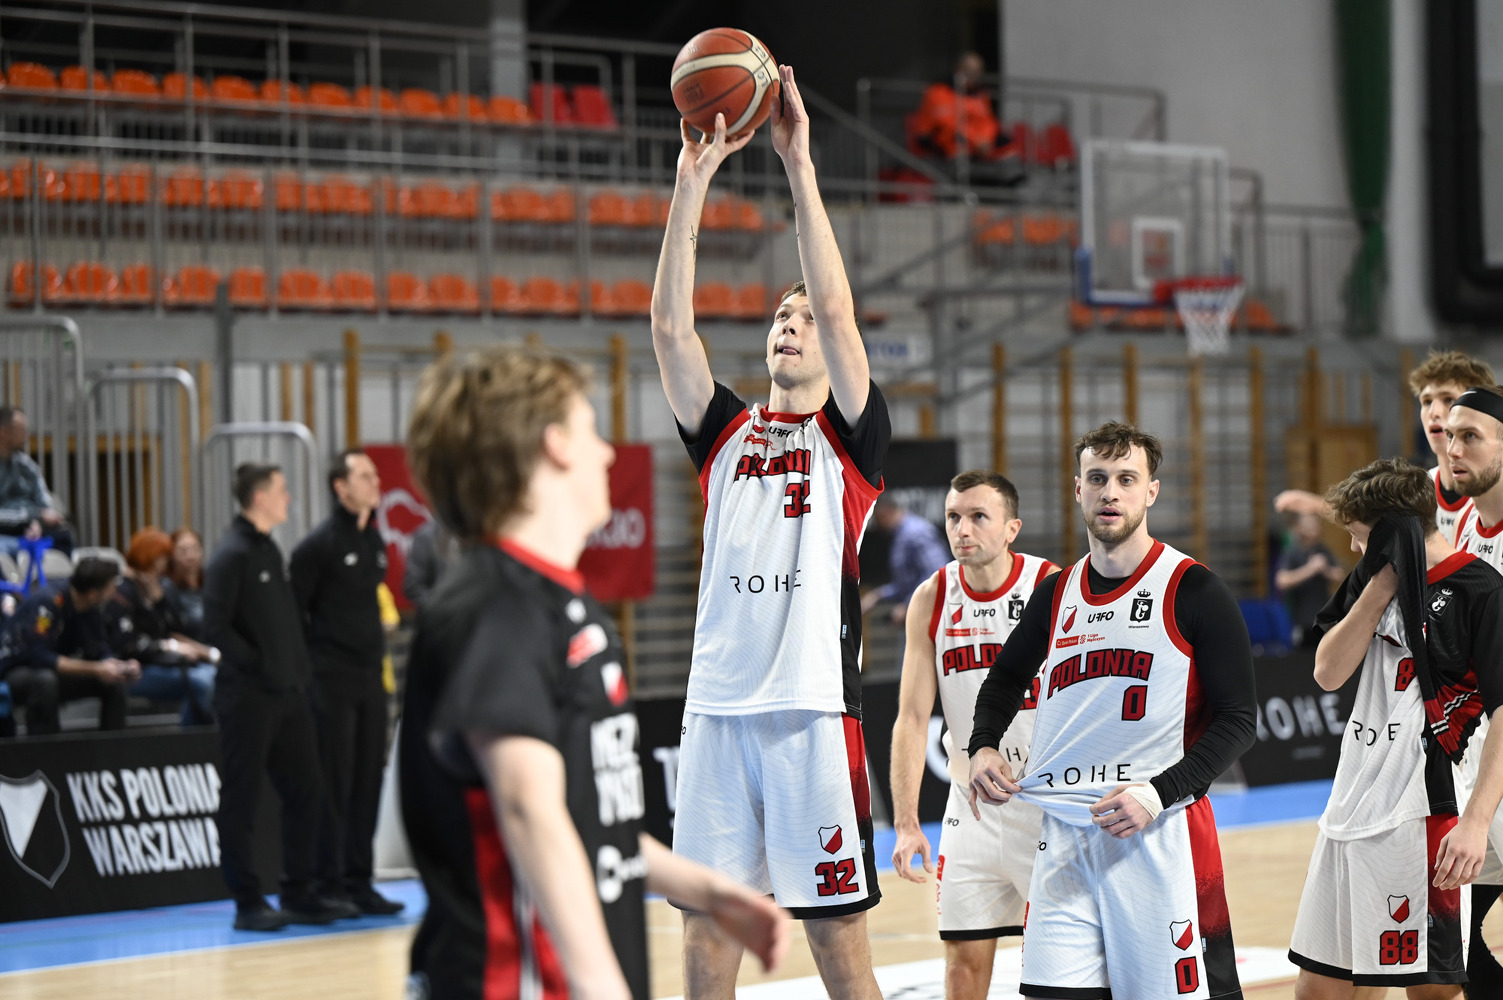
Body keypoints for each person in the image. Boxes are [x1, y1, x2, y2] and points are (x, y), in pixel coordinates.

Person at [399, 345, 789, 999]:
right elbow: (527, 808)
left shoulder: (560, 604)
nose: (607, 454)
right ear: (554, 445)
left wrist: (707, 889)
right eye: (591, 429)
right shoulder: (497, 603)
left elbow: (587, 819)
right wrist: (599, 983)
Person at [651, 63, 890, 998]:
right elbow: (670, 331)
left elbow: (837, 308)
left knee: (837, 946)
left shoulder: (850, 441)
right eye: (779, 318)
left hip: (810, 712)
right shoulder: (724, 434)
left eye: (803, 319)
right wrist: (691, 182)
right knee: (705, 940)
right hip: (716, 710)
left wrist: (796, 163)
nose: (790, 326)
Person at [967, 421, 1256, 999]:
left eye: (1126, 479)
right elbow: (1003, 680)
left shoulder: (1194, 589)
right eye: (1097, 478)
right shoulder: (1057, 592)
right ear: (1078, 489)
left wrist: (1159, 793)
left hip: (1157, 831)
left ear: (1151, 491)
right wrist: (983, 745)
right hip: (1063, 838)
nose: (1110, 492)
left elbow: (1238, 721)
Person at [1288, 458, 1503, 997]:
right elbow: (1327, 672)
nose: (1353, 548)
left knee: (1430, 990)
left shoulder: (1481, 589)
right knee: (1317, 990)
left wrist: (1476, 822)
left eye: (1361, 536)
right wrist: (1380, 585)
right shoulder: (1369, 578)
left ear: (1390, 532)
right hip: (1349, 803)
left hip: (1425, 811)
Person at [890, 470, 1058, 1000]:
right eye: (953, 517)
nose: (962, 529)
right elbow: (911, 718)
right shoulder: (932, 597)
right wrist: (906, 822)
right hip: (971, 805)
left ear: (1011, 529)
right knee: (963, 963)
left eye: (978, 517)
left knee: (1059, 966)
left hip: (1045, 803)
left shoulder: (1051, 586)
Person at [206, 462, 354, 931]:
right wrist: (257, 662)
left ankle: (299, 890)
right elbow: (215, 626)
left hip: (289, 696)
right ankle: (247, 901)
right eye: (282, 490)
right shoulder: (231, 554)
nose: (288, 498)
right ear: (260, 497)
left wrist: (296, 671)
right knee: (242, 799)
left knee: (308, 790)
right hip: (248, 697)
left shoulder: (269, 549)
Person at [290, 448, 403, 916]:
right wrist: (307, 675)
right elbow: (295, 614)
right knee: (335, 782)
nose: (376, 482)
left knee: (368, 780)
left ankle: (360, 880)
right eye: (364, 475)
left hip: (370, 678)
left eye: (375, 475)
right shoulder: (317, 547)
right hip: (330, 679)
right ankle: (328, 881)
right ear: (341, 488)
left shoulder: (374, 541)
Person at [1276, 350, 1494, 541]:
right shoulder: (1422, 486)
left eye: (1448, 399)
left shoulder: (1493, 490)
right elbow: (1373, 519)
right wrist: (1316, 505)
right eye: (1427, 401)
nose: (1434, 412)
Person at [1443, 384, 1503, 991]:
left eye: (1470, 437)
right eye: (1448, 436)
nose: (1452, 449)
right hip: (1480, 759)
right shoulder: (1461, 523)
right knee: (1465, 947)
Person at [0, 557, 137, 735]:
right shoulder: (48, 601)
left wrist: (117, 666)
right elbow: (39, 656)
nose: (114, 594)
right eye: (111, 588)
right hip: (17, 670)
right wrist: (95, 669)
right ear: (93, 594)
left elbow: (98, 647)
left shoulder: (91, 607)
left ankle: (112, 747)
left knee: (114, 682)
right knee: (45, 681)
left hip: (55, 671)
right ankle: (45, 748)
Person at [107, 528, 219, 725]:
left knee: (215, 677)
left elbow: (171, 628)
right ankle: (192, 740)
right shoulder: (123, 593)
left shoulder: (151, 588)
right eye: (163, 558)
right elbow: (127, 645)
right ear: (150, 558)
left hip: (160, 662)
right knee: (202, 682)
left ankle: (204, 738)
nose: (167, 564)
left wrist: (159, 600)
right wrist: (169, 646)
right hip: (134, 669)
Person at [861, 494, 951, 625]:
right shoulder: (900, 535)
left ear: (885, 512)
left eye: (877, 519)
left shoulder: (916, 532)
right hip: (920, 616)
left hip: (934, 615)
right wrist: (878, 595)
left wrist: (907, 604)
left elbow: (937, 573)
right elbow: (906, 584)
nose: (877, 525)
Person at [0, 406, 73, 555]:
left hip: (33, 530)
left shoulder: (26, 466)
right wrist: (32, 517)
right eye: (21, 430)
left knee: (64, 538)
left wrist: (37, 522)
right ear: (4, 432)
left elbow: (45, 504)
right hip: (5, 533)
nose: (27, 436)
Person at [908, 52, 1005, 162]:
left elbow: (988, 121)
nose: (973, 75)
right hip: (945, 146)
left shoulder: (981, 95)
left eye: (977, 71)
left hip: (979, 148)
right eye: (969, 69)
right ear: (958, 69)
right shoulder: (938, 92)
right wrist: (976, 141)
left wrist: (986, 139)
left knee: (1009, 153)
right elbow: (948, 123)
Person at [1274, 512, 1347, 644]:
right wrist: (1310, 569)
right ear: (1299, 527)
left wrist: (1325, 569)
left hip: (1324, 618)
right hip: (1302, 620)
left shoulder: (1323, 550)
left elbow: (1339, 575)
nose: (1314, 526)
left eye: (1315, 522)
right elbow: (1282, 580)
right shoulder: (1293, 552)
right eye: (1309, 523)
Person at [402, 520, 458, 610]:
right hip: (441, 614)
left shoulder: (476, 536)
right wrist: (440, 609)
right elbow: (412, 586)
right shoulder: (427, 537)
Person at [165, 527, 207, 640]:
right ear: (172, 555)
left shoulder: (211, 581)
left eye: (195, 549)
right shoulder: (167, 589)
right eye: (183, 551)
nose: (190, 556)